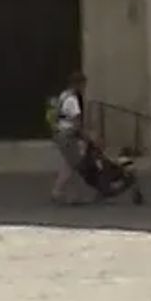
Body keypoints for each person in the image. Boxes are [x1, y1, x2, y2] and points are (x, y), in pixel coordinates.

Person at [50, 70, 89, 205]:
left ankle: (66, 194)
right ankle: (63, 193)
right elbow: (76, 120)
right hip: (68, 134)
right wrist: (85, 136)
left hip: (60, 133)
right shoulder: (73, 100)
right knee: (74, 165)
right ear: (78, 84)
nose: (84, 88)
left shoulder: (63, 96)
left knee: (69, 163)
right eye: (83, 85)